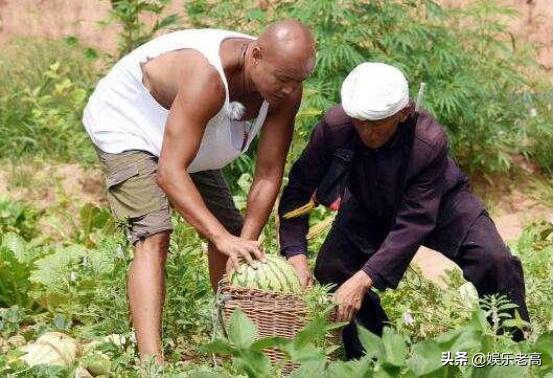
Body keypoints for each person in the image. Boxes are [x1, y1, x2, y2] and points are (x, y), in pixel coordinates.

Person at [82, 21, 316, 363]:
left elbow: (268, 173)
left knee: (236, 236)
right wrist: (220, 237)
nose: (289, 90)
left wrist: (243, 245)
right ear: (255, 56)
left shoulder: (285, 88)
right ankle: (152, 363)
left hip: (190, 134)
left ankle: (233, 343)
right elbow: (169, 172)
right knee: (155, 234)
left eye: (298, 81)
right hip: (130, 124)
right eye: (282, 79)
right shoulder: (206, 75)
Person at [278, 62, 530, 359]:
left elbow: (414, 222)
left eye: (376, 122)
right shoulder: (336, 127)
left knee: (493, 259)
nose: (366, 131)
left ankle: (513, 352)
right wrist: (295, 253)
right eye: (359, 121)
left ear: (403, 113)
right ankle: (378, 355)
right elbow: (298, 190)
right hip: (369, 201)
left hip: (440, 198)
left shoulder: (428, 141)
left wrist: (364, 278)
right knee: (333, 270)